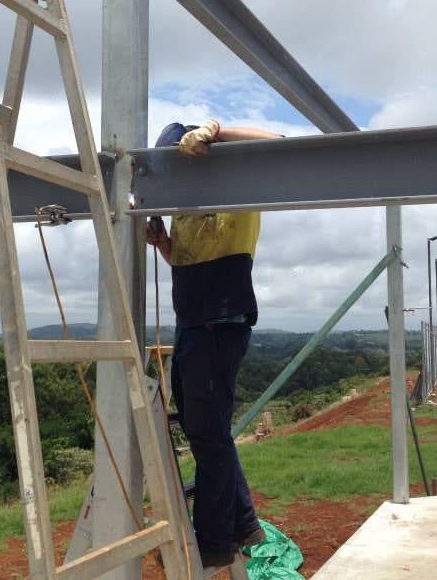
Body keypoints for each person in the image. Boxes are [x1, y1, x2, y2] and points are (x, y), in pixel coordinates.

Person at [146, 119, 281, 568]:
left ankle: (215, 542)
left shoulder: (236, 191)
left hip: (219, 326)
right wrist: (165, 245)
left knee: (208, 433)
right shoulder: (184, 207)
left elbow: (279, 145)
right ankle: (243, 522)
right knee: (204, 429)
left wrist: (218, 131)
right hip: (191, 326)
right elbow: (187, 263)